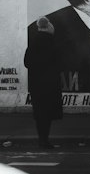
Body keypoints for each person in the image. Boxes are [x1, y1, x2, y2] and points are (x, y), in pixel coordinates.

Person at [23, 16, 64, 147]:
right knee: (48, 113)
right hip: (50, 84)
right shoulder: (52, 42)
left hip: (36, 84)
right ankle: (45, 139)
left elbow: (27, 62)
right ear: (48, 26)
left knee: (40, 113)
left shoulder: (33, 42)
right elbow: (59, 62)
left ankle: (42, 139)